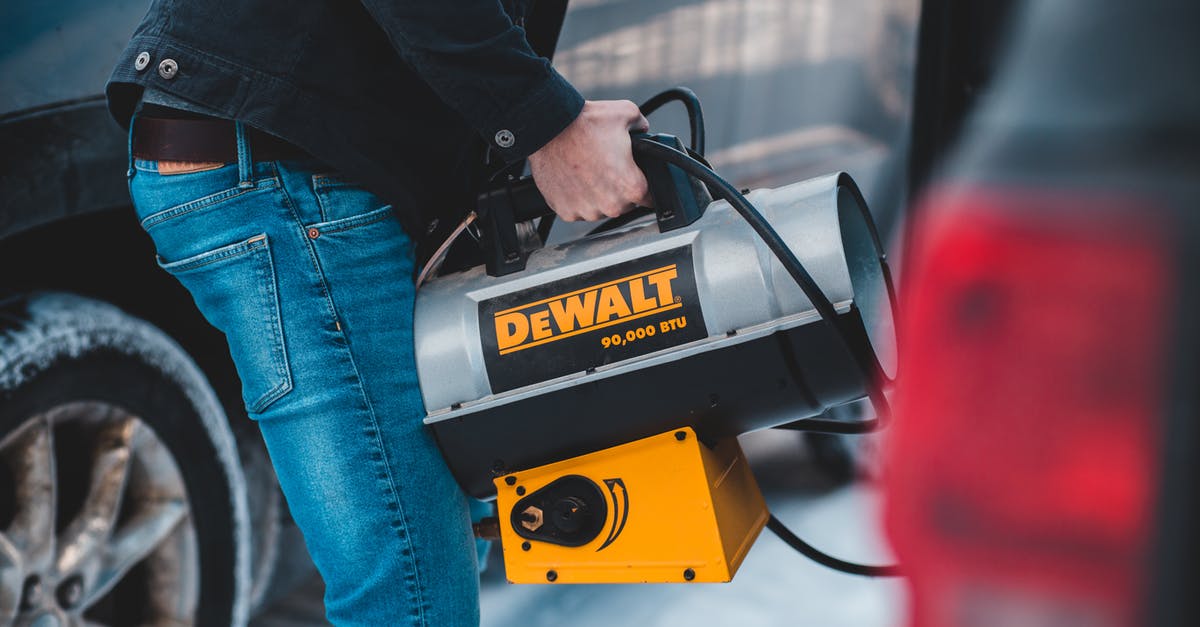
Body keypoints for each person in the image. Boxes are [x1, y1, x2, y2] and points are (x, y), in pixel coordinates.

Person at [106, 1, 651, 625]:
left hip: (310, 157)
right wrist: (546, 124)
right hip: (289, 170)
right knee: (409, 598)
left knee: (436, 550)